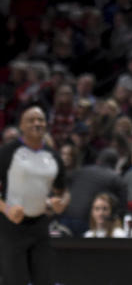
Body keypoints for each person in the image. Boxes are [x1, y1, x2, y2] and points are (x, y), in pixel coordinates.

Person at [0, 105, 69, 285]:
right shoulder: (9, 152)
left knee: (45, 279)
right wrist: (6, 209)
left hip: (39, 225)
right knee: (15, 280)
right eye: (31, 120)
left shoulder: (53, 156)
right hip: (11, 226)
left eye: (41, 120)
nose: (37, 123)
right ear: (21, 126)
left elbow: (63, 191)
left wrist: (60, 202)